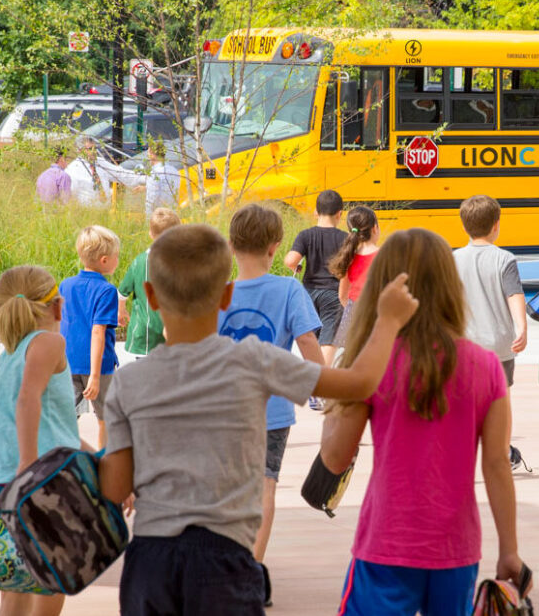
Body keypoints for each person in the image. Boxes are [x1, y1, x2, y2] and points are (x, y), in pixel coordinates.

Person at [96, 223, 419, 615]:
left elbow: (114, 488)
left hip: (150, 559)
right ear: (226, 294)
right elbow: (358, 383)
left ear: (150, 295)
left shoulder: (129, 383)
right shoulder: (252, 360)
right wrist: (386, 321)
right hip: (226, 557)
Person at [320, 229, 529, 615]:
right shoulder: (485, 366)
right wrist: (509, 550)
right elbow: (498, 463)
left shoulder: (373, 363)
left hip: (387, 543)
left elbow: (334, 457)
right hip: (456, 549)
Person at [220, 204, 325, 607]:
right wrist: (327, 388)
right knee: (264, 488)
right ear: (275, 247)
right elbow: (308, 343)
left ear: (231, 246)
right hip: (272, 412)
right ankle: (249, 573)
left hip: (225, 413)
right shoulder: (288, 290)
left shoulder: (219, 294)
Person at [0, 265, 91, 616]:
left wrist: (100, 457)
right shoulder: (49, 342)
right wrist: (28, 464)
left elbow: (59, 430)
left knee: (15, 592)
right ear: (58, 307)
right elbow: (29, 400)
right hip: (40, 484)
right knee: (53, 579)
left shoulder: (7, 357)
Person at [452, 195, 528, 468]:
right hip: (499, 345)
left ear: (464, 227)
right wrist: (522, 328)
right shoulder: (504, 259)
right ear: (497, 225)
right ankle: (503, 452)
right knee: (500, 400)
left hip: (464, 346)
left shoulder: (454, 258)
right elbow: (514, 295)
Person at [60, 224, 121, 447]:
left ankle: (64, 459)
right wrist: (94, 375)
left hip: (68, 362)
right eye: (116, 256)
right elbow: (98, 331)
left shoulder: (65, 286)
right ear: (104, 260)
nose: (117, 260)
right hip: (99, 367)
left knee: (65, 420)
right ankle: (104, 460)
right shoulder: (106, 291)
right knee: (107, 419)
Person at [285, 190, 348, 365]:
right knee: (328, 341)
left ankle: (310, 376)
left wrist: (297, 266)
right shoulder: (345, 238)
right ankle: (323, 379)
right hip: (333, 295)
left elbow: (290, 260)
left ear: (315, 212)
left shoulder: (305, 235)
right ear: (339, 214)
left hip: (308, 294)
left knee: (311, 339)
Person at [119, 208, 182, 357]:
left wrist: (121, 312)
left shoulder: (139, 262)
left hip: (145, 336)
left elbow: (122, 293)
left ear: (150, 234)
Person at [328, 205, 380, 351]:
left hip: (353, 312)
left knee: (353, 359)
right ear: (374, 228)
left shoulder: (348, 256)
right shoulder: (384, 255)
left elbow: (343, 295)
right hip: (378, 312)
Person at [65, 137, 147, 208]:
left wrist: (146, 179)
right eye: (90, 149)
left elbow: (121, 174)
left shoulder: (100, 163)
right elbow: (70, 197)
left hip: (105, 213)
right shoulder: (73, 170)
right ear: (80, 151)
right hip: (86, 215)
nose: (93, 151)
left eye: (95, 148)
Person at [143, 141, 179, 218]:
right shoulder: (175, 171)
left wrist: (149, 217)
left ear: (152, 154)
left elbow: (152, 199)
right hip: (172, 215)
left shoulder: (154, 174)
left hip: (157, 218)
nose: (148, 157)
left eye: (148, 154)